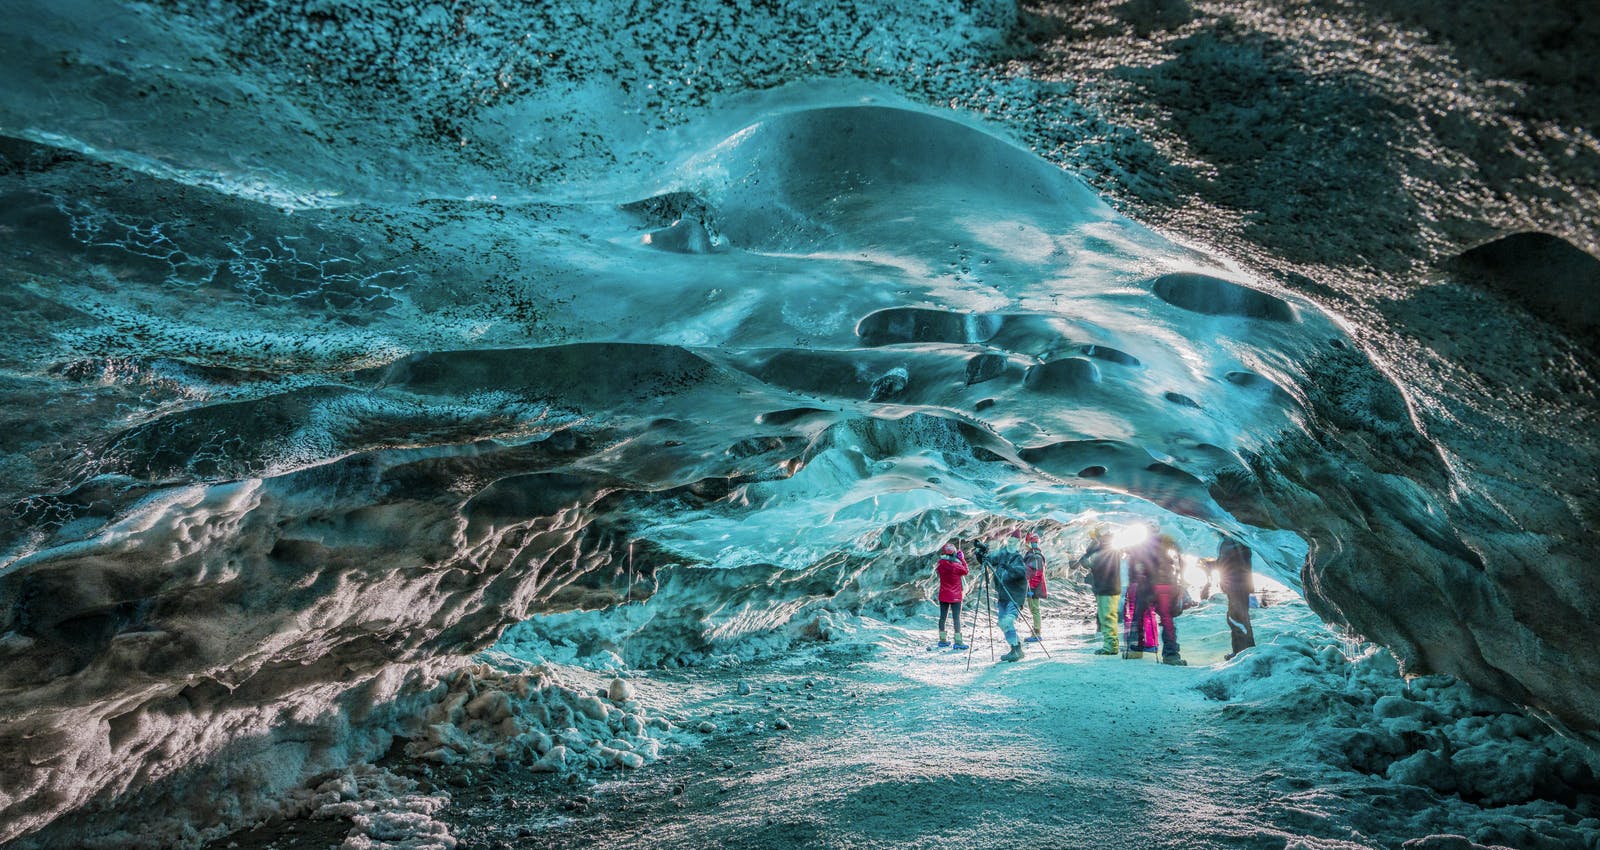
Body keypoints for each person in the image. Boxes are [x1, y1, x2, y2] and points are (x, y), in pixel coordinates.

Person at [1127, 525, 1187, 665]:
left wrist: (1134, 582)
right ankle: (1171, 655)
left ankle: (1136, 650)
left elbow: (1133, 566)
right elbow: (1179, 558)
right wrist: (1180, 580)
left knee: (1139, 617)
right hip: (1165, 584)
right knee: (1167, 619)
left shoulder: (1139, 545)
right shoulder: (1166, 541)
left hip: (1146, 586)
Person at [986, 529, 1030, 663]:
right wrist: (981, 555)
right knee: (1003, 623)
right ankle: (1015, 648)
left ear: (1018, 543)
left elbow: (1021, 573)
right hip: (1003, 594)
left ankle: (1017, 649)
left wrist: (1008, 568)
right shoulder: (1003, 554)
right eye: (1009, 540)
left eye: (1013, 541)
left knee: (1008, 620)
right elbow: (991, 560)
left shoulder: (1018, 558)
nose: (1010, 543)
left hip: (1015, 595)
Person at [1079, 526, 1121, 655]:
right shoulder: (1110, 550)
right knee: (1106, 617)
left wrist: (1090, 552)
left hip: (1108, 588)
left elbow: (1091, 564)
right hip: (1107, 588)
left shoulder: (1110, 551)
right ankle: (1111, 644)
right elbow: (1087, 563)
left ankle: (1111, 647)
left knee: (1107, 617)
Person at [1215, 536, 1256, 659]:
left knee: (1236, 618)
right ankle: (1246, 649)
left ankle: (1241, 652)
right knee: (1241, 617)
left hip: (1235, 586)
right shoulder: (1242, 542)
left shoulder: (1229, 543)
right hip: (1243, 585)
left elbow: (1225, 564)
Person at [933, 542, 969, 650]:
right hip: (956, 596)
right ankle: (958, 641)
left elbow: (939, 569)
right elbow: (966, 571)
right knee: (956, 618)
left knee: (942, 617)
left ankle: (942, 640)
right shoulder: (957, 566)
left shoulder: (940, 564)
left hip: (943, 594)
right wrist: (962, 559)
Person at [1022, 533, 1048, 643]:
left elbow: (1037, 573)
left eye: (1026, 543)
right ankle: (1035, 631)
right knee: (1034, 610)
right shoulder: (1035, 555)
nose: (1025, 545)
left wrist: (1030, 589)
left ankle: (1037, 633)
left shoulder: (1035, 556)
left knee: (1035, 609)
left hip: (1033, 588)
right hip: (1033, 587)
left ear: (1030, 543)